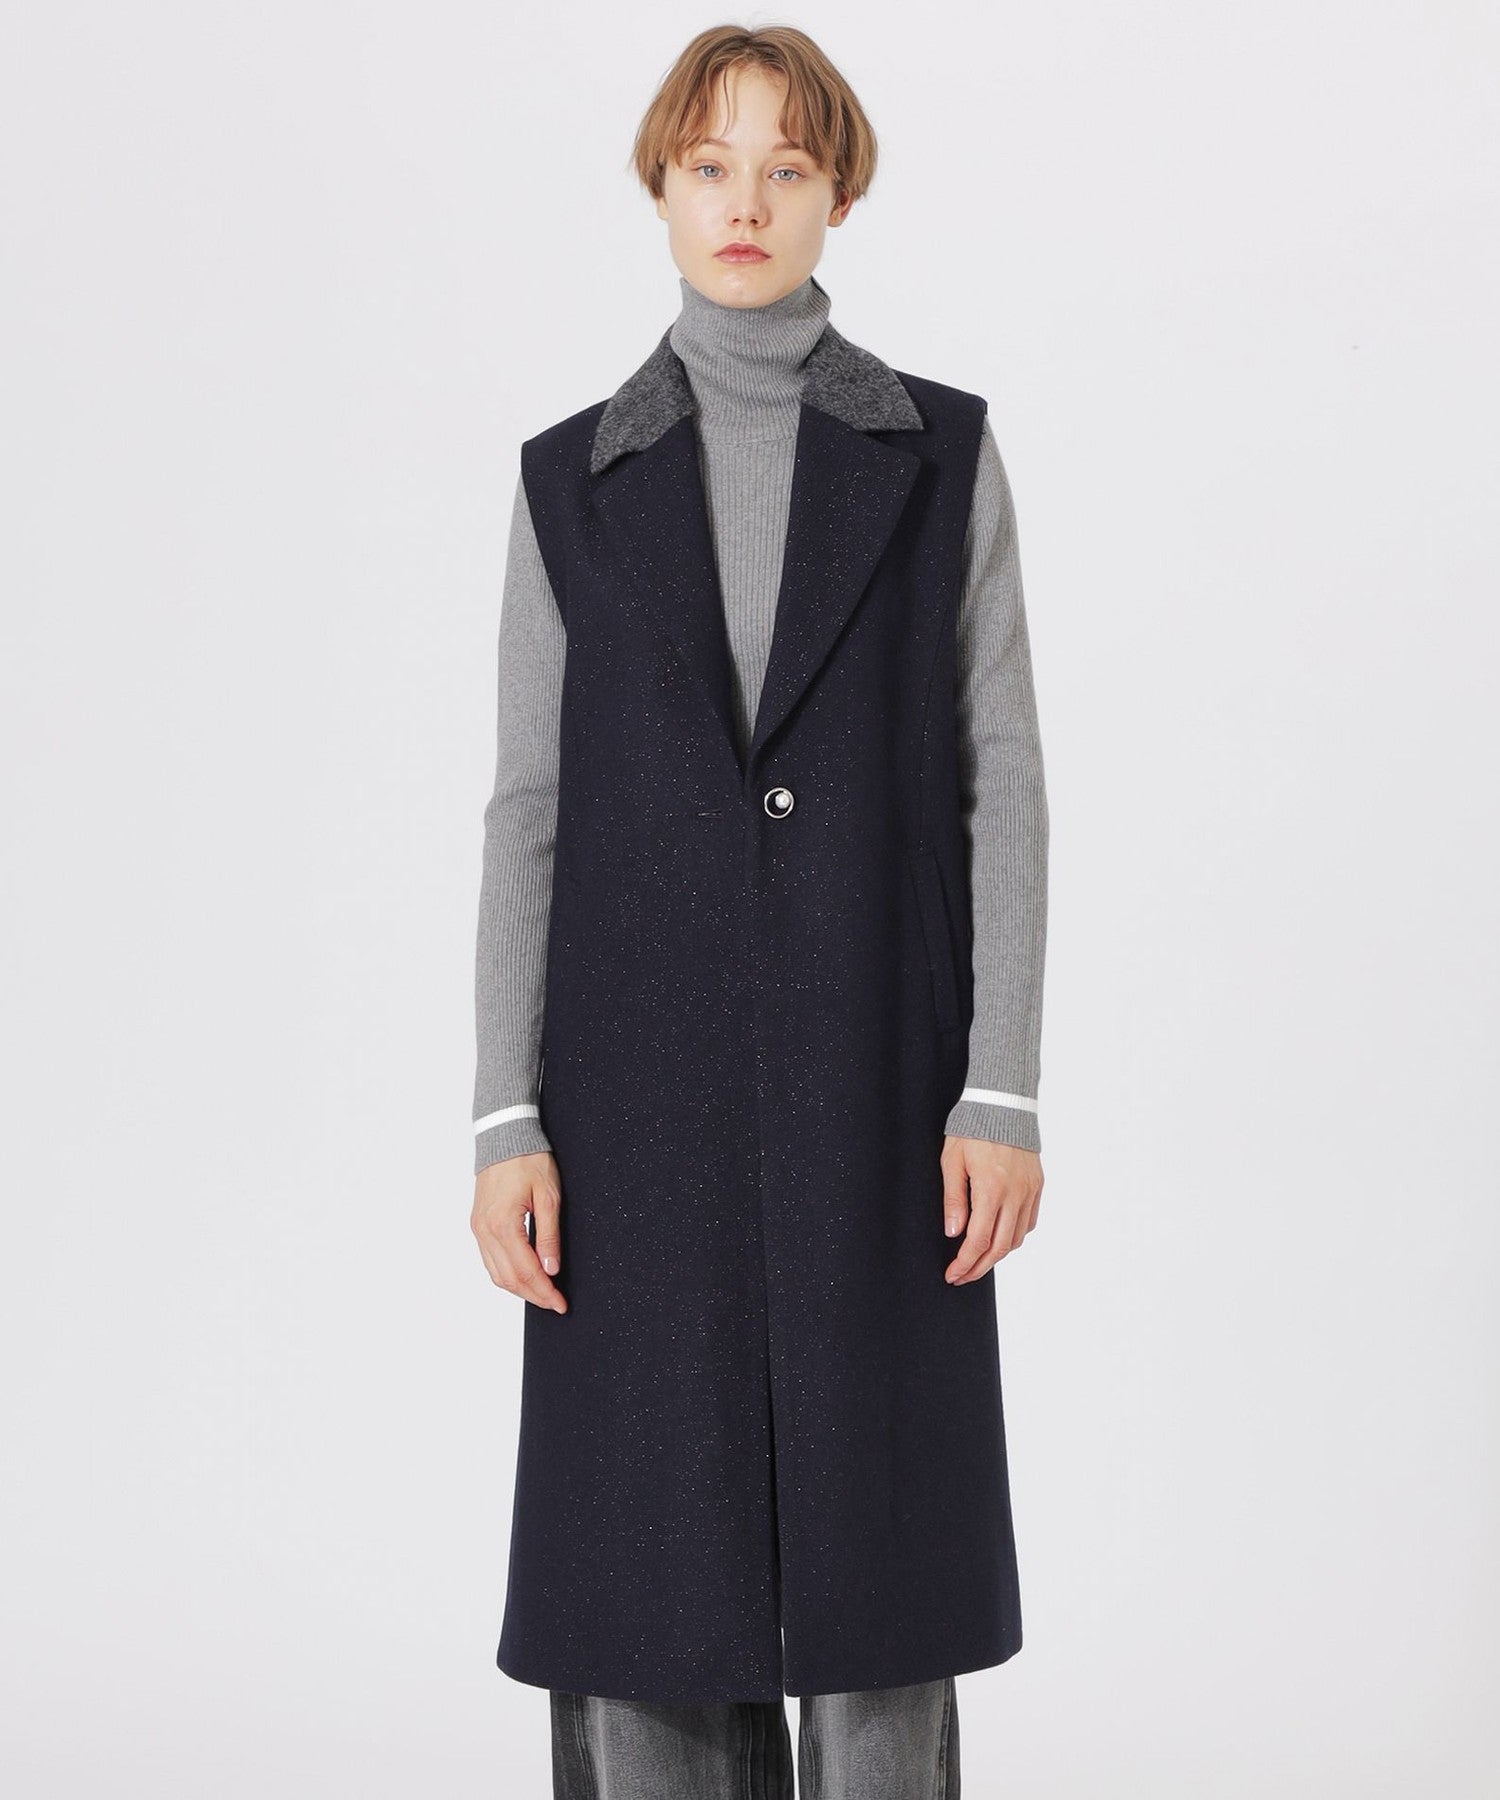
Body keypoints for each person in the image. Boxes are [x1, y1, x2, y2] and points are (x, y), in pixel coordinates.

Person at [470, 23, 1049, 1798]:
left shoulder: (938, 456)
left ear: (838, 196)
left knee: (880, 1608)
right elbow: (528, 811)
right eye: (710, 164)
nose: (746, 200)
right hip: (631, 1132)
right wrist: (505, 1119)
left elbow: (1005, 778)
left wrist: (1001, 1088)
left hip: (882, 1107)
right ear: (659, 190)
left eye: (787, 167)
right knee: (648, 1615)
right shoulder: (571, 482)